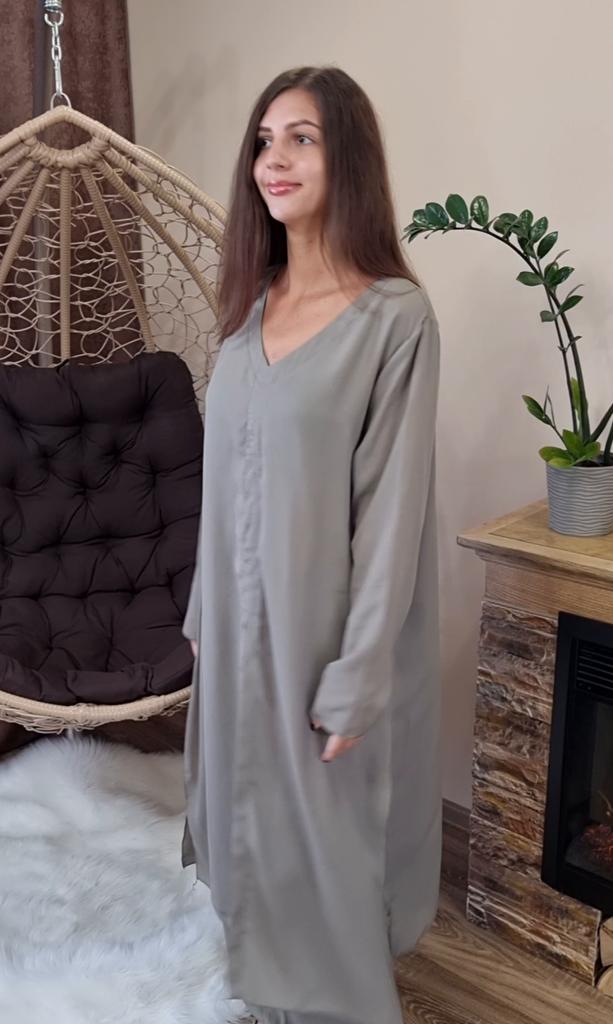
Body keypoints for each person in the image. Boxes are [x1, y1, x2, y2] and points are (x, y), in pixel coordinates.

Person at [181, 64, 442, 1024]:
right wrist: (202, 614)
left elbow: (392, 515)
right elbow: (222, 486)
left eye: (301, 138)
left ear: (349, 159)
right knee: (243, 825)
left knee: (326, 848)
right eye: (263, 140)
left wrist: (358, 673)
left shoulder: (394, 319)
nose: (272, 160)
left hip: (319, 637)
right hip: (234, 632)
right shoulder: (250, 308)